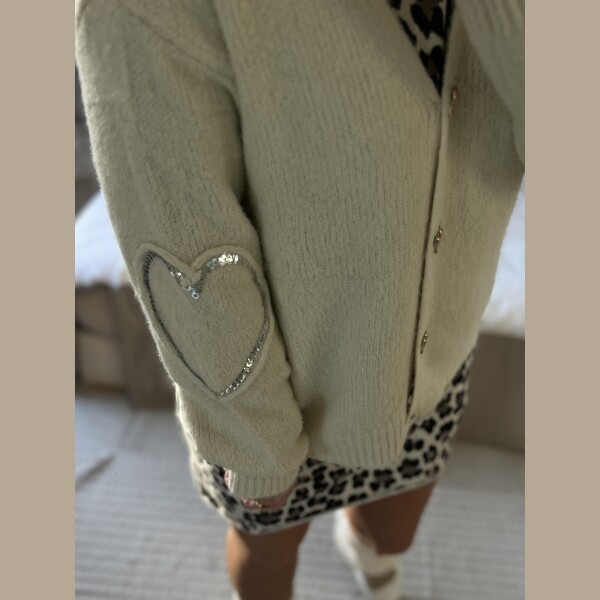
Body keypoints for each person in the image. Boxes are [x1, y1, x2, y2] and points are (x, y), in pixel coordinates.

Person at [75, 0, 524, 598]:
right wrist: (255, 438)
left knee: (392, 534)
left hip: (433, 363)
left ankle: (366, 554)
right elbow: (180, 235)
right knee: (267, 559)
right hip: (270, 391)